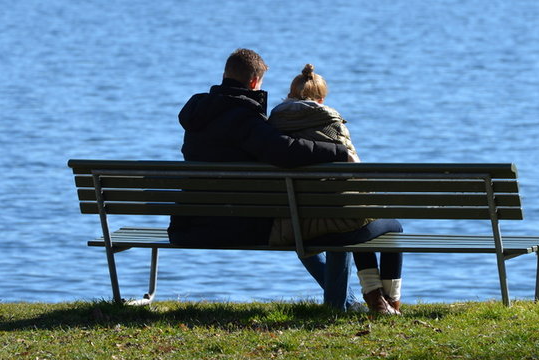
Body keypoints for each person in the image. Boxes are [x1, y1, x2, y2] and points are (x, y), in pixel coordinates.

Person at [167, 49, 362, 311]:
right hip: (237, 225)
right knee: (326, 225)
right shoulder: (243, 116)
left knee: (303, 224)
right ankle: (342, 305)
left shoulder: (199, 113)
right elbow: (284, 151)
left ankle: (347, 302)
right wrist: (339, 152)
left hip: (189, 224)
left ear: (225, 75)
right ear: (254, 82)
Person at [267, 64, 404, 314]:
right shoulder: (332, 125)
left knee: (356, 223)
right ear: (321, 100)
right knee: (387, 226)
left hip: (293, 223)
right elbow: (357, 175)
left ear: (289, 95)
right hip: (337, 222)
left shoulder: (272, 128)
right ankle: (388, 300)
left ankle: (375, 298)